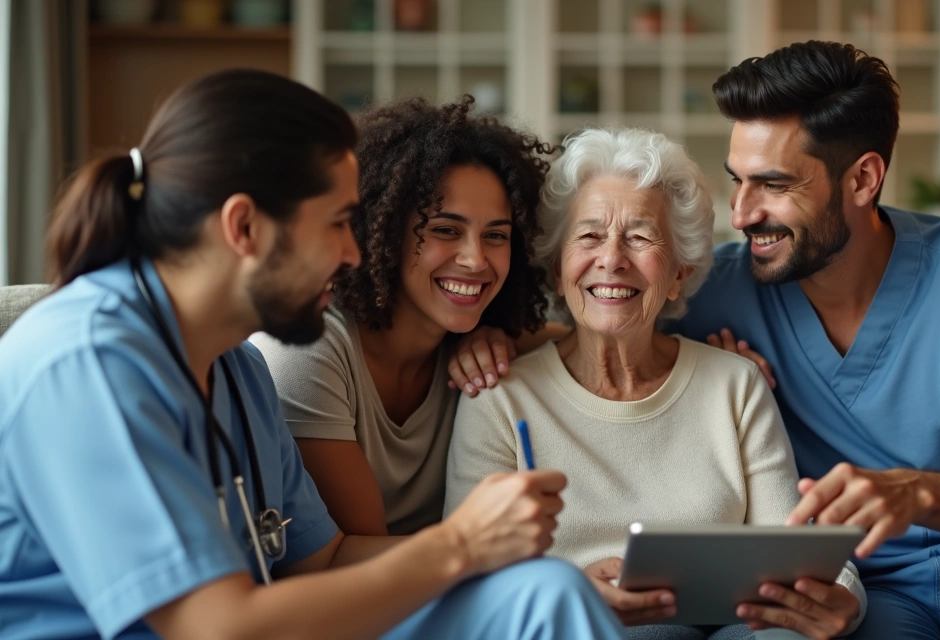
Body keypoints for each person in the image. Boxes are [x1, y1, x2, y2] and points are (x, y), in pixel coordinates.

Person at [449, 41, 940, 639]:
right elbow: (611, 314)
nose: (742, 215)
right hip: (872, 592)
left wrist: (918, 493)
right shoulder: (721, 285)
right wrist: (497, 338)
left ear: (862, 179)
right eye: (738, 181)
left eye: (773, 184)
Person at [0, 69, 624, 640]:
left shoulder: (237, 370)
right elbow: (216, 629)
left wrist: (501, 552)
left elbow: (320, 559)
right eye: (335, 224)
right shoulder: (85, 365)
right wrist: (460, 543)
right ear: (243, 227)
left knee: (543, 594)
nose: (353, 255)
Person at [442, 127, 864, 640]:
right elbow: (464, 575)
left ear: (679, 274)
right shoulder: (500, 397)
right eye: (590, 235)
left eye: (640, 237)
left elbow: (798, 541)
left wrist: (842, 598)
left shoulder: (735, 383)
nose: (613, 259)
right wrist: (569, 590)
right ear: (557, 269)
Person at [250, 96, 555, 536]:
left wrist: (499, 337)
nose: (475, 259)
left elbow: (585, 349)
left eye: (496, 236)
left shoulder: (478, 336)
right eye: (445, 230)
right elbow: (354, 555)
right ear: (385, 232)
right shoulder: (308, 351)